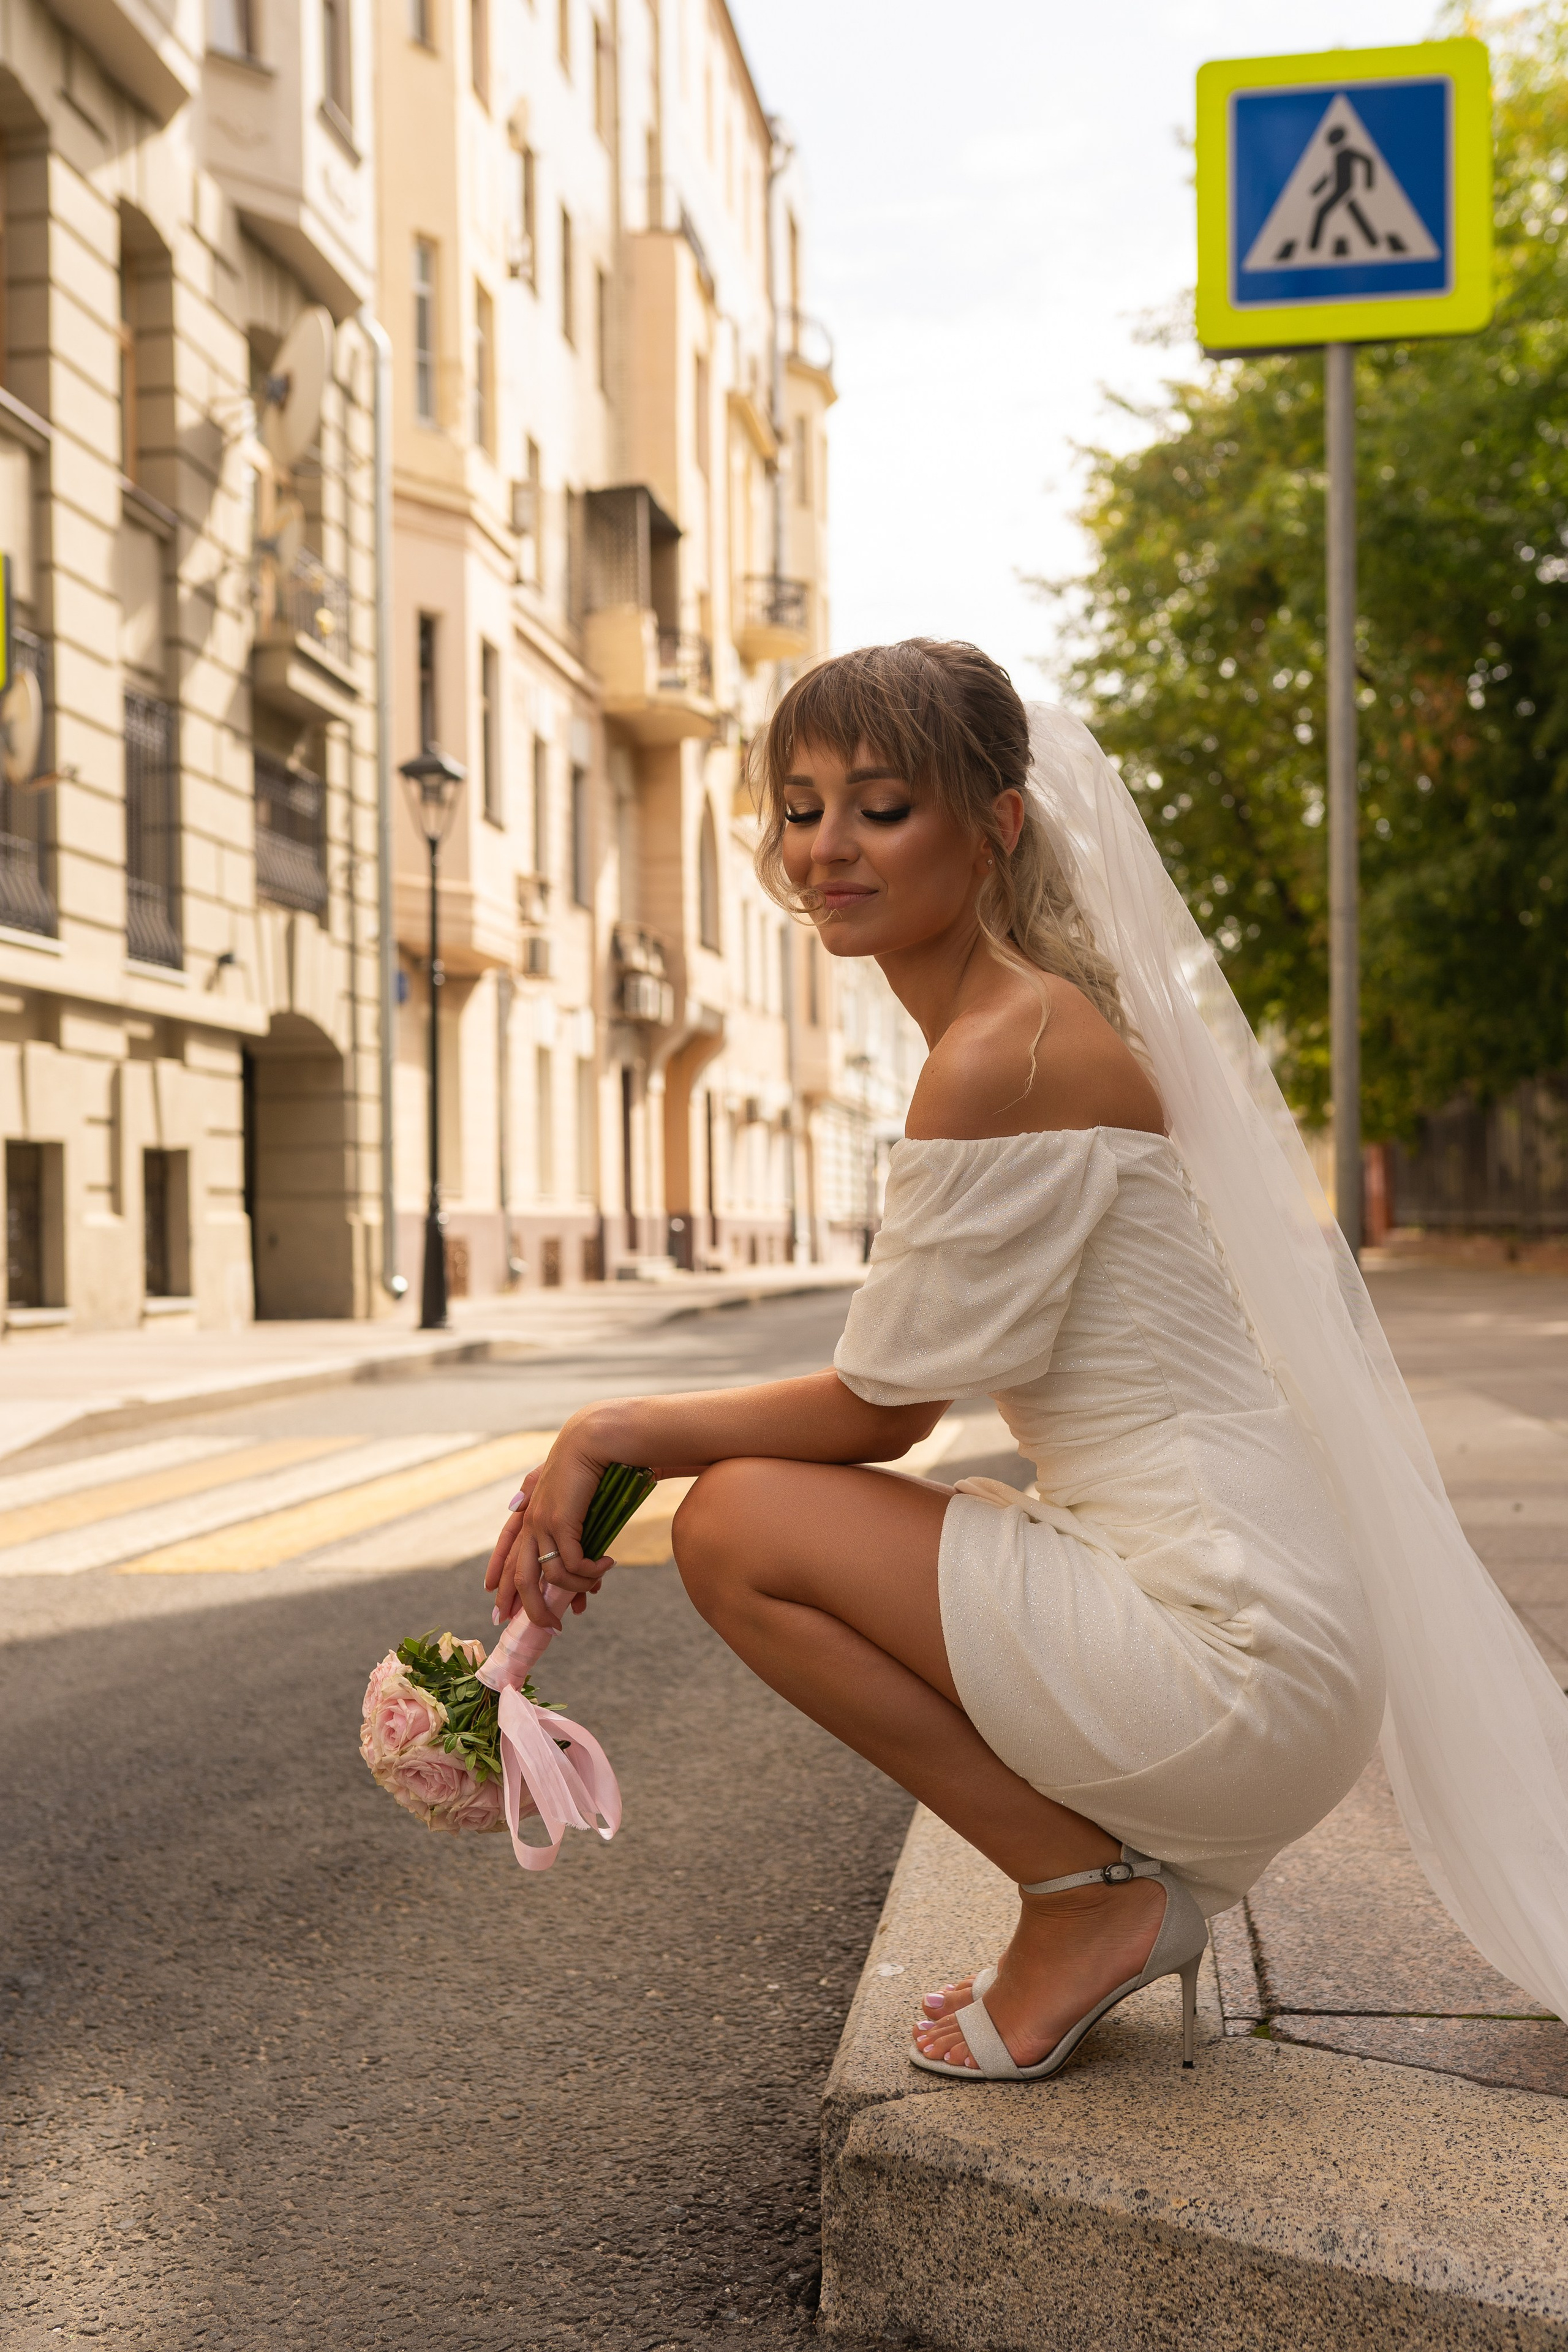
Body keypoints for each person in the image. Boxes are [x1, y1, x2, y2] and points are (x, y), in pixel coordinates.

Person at [487, 639, 1568, 2081]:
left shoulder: (1002, 1048)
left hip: (1232, 1650)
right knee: (742, 1502)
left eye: (878, 806)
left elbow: (882, 1413)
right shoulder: (1031, 1016)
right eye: (799, 808)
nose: (823, 850)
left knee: (738, 1522)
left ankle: (1085, 1900)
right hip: (1255, 1619)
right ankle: (1093, 1889)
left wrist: (608, 1430)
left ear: (994, 823)